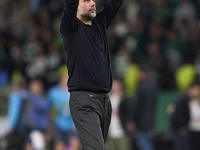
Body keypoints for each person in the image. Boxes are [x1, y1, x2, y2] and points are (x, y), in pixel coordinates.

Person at [60, 0, 124, 149]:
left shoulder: (100, 24)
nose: (93, 3)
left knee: (94, 146)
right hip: (84, 100)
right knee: (96, 148)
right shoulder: (71, 27)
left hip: (104, 101)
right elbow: (69, 4)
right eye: (86, 0)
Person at [47, 66, 80, 150]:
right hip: (58, 126)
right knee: (58, 146)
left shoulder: (74, 91)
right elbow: (49, 109)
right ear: (60, 77)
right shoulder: (53, 92)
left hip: (72, 126)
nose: (66, 78)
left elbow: (78, 109)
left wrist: (77, 124)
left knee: (75, 144)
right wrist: (50, 125)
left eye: (68, 76)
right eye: (64, 76)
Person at [169, 82, 200, 150]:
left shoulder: (188, 99)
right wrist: (181, 126)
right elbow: (178, 114)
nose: (197, 93)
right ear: (191, 89)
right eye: (197, 90)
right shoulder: (184, 99)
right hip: (180, 129)